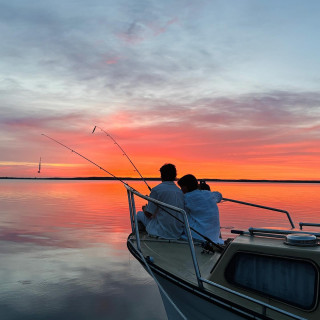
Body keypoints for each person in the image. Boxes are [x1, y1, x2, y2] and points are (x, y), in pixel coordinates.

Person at [137, 163, 185, 239]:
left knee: (139, 214)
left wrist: (144, 208)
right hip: (177, 232)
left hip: (160, 232)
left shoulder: (156, 190)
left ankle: (139, 237)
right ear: (175, 176)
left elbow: (148, 214)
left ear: (161, 175)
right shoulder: (180, 192)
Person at [178, 174, 224, 244]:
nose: (181, 190)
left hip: (197, 236)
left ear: (186, 187)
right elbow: (219, 195)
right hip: (214, 237)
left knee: (182, 212)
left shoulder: (186, 197)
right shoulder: (209, 194)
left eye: (181, 187)